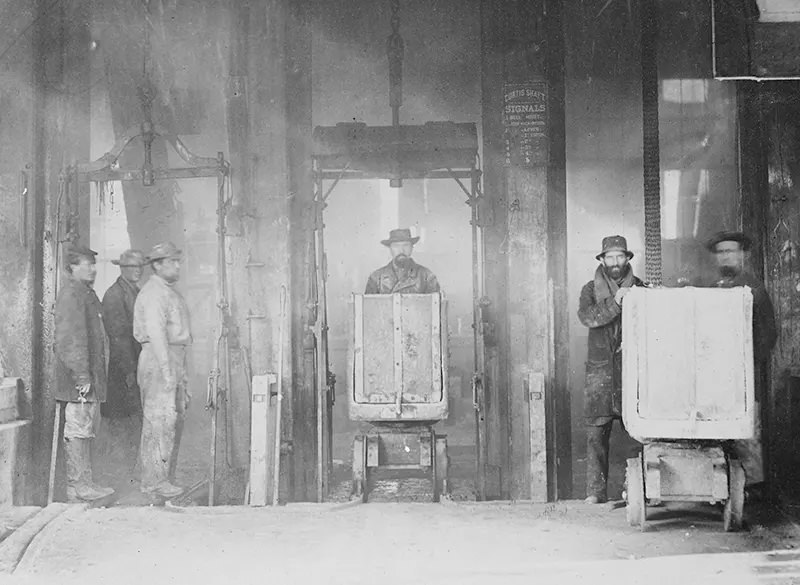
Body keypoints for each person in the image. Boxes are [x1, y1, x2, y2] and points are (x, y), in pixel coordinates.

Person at [705, 231, 777, 497]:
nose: (726, 256)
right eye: (721, 252)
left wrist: (747, 362)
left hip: (745, 375)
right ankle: (723, 489)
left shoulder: (754, 289)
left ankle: (754, 488)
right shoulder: (712, 289)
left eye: (731, 251)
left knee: (747, 430)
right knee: (718, 428)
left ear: (742, 255)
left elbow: (768, 334)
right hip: (716, 375)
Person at [578, 235, 646, 504]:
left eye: (620, 257)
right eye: (610, 257)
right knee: (597, 433)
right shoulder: (589, 290)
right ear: (602, 260)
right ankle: (595, 492)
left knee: (638, 432)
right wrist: (616, 302)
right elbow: (587, 318)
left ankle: (639, 492)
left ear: (628, 259)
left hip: (632, 369)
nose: (615, 262)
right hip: (600, 372)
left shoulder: (640, 288)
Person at [54, 245, 115, 502]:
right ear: (71, 268)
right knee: (79, 428)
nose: (92, 268)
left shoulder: (85, 294)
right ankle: (79, 487)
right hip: (78, 381)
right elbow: (70, 340)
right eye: (85, 264)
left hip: (88, 378)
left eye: (93, 264)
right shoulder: (71, 295)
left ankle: (84, 484)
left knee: (86, 428)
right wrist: (81, 377)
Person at [133, 242, 192, 498]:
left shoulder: (168, 292)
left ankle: (162, 478)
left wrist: (181, 374)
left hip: (171, 358)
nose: (177, 265)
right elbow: (156, 334)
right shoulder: (154, 293)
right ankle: (154, 482)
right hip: (159, 359)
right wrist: (168, 372)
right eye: (172, 261)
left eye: (178, 261)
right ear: (157, 265)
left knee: (169, 421)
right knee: (159, 421)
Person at [101, 249, 145, 476]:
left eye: (140, 267)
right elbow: (119, 338)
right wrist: (129, 371)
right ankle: (118, 474)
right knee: (119, 422)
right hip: (120, 370)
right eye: (132, 267)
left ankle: (128, 471)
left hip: (132, 366)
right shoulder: (114, 295)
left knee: (131, 421)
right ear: (122, 269)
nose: (137, 271)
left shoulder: (134, 292)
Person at [364, 228, 441, 294]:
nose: (401, 250)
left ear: (412, 248)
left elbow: (435, 307)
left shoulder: (427, 276)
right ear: (390, 249)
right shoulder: (376, 278)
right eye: (396, 246)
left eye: (406, 245)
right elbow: (369, 308)